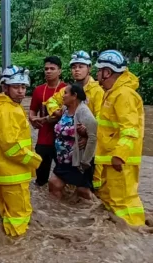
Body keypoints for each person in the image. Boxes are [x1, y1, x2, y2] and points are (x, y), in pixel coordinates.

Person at [0, 65, 42, 237]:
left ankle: (8, 246)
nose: (21, 91)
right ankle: (18, 250)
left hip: (6, 173)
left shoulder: (7, 107)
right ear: (5, 87)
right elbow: (11, 147)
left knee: (8, 215)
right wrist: (34, 160)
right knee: (19, 217)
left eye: (23, 87)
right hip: (13, 175)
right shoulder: (8, 110)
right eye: (16, 87)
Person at [94, 50, 146, 227]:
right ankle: (116, 235)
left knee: (124, 201)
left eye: (99, 70)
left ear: (107, 72)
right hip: (111, 159)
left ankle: (135, 232)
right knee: (110, 198)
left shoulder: (124, 94)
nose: (97, 73)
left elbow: (130, 129)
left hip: (120, 161)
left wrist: (120, 155)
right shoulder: (112, 92)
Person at [43, 50, 104, 189]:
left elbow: (101, 118)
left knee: (88, 186)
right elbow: (51, 101)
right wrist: (56, 112)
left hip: (87, 146)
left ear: (89, 68)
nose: (76, 70)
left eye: (80, 66)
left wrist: (87, 135)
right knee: (63, 186)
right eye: (74, 67)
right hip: (67, 149)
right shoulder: (68, 89)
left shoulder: (97, 91)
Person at [48, 83, 97, 200]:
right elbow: (54, 121)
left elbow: (94, 136)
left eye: (65, 93)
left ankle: (99, 211)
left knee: (83, 192)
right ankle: (60, 213)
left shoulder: (84, 113)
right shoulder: (65, 109)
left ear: (74, 96)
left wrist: (85, 162)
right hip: (63, 160)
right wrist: (41, 120)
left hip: (78, 162)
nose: (63, 96)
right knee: (54, 184)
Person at [29, 56, 67, 186]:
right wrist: (32, 119)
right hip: (43, 138)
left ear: (60, 71)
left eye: (52, 68)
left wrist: (45, 118)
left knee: (65, 177)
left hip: (63, 139)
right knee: (40, 180)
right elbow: (33, 110)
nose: (48, 71)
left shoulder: (67, 90)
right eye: (46, 69)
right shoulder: (38, 90)